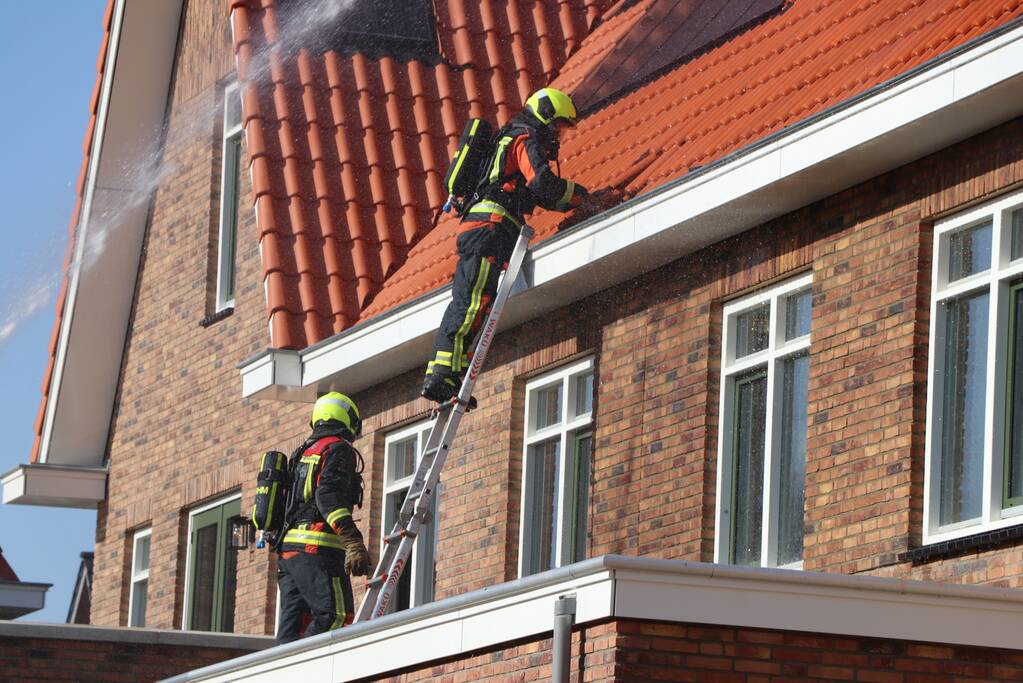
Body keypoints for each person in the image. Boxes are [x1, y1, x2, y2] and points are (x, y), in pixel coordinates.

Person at [421, 87, 594, 403]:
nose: (558, 135)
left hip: (485, 227)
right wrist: (583, 196)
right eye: (557, 126)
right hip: (492, 227)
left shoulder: (508, 136)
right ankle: (442, 374)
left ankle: (445, 372)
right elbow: (542, 183)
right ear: (545, 116)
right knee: (473, 300)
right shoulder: (522, 137)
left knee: (472, 299)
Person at [276, 392, 371, 643]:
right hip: (318, 549)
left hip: (289, 554)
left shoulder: (302, 453)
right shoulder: (338, 449)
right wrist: (352, 541)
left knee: (293, 629)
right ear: (349, 419)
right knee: (337, 616)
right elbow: (328, 496)